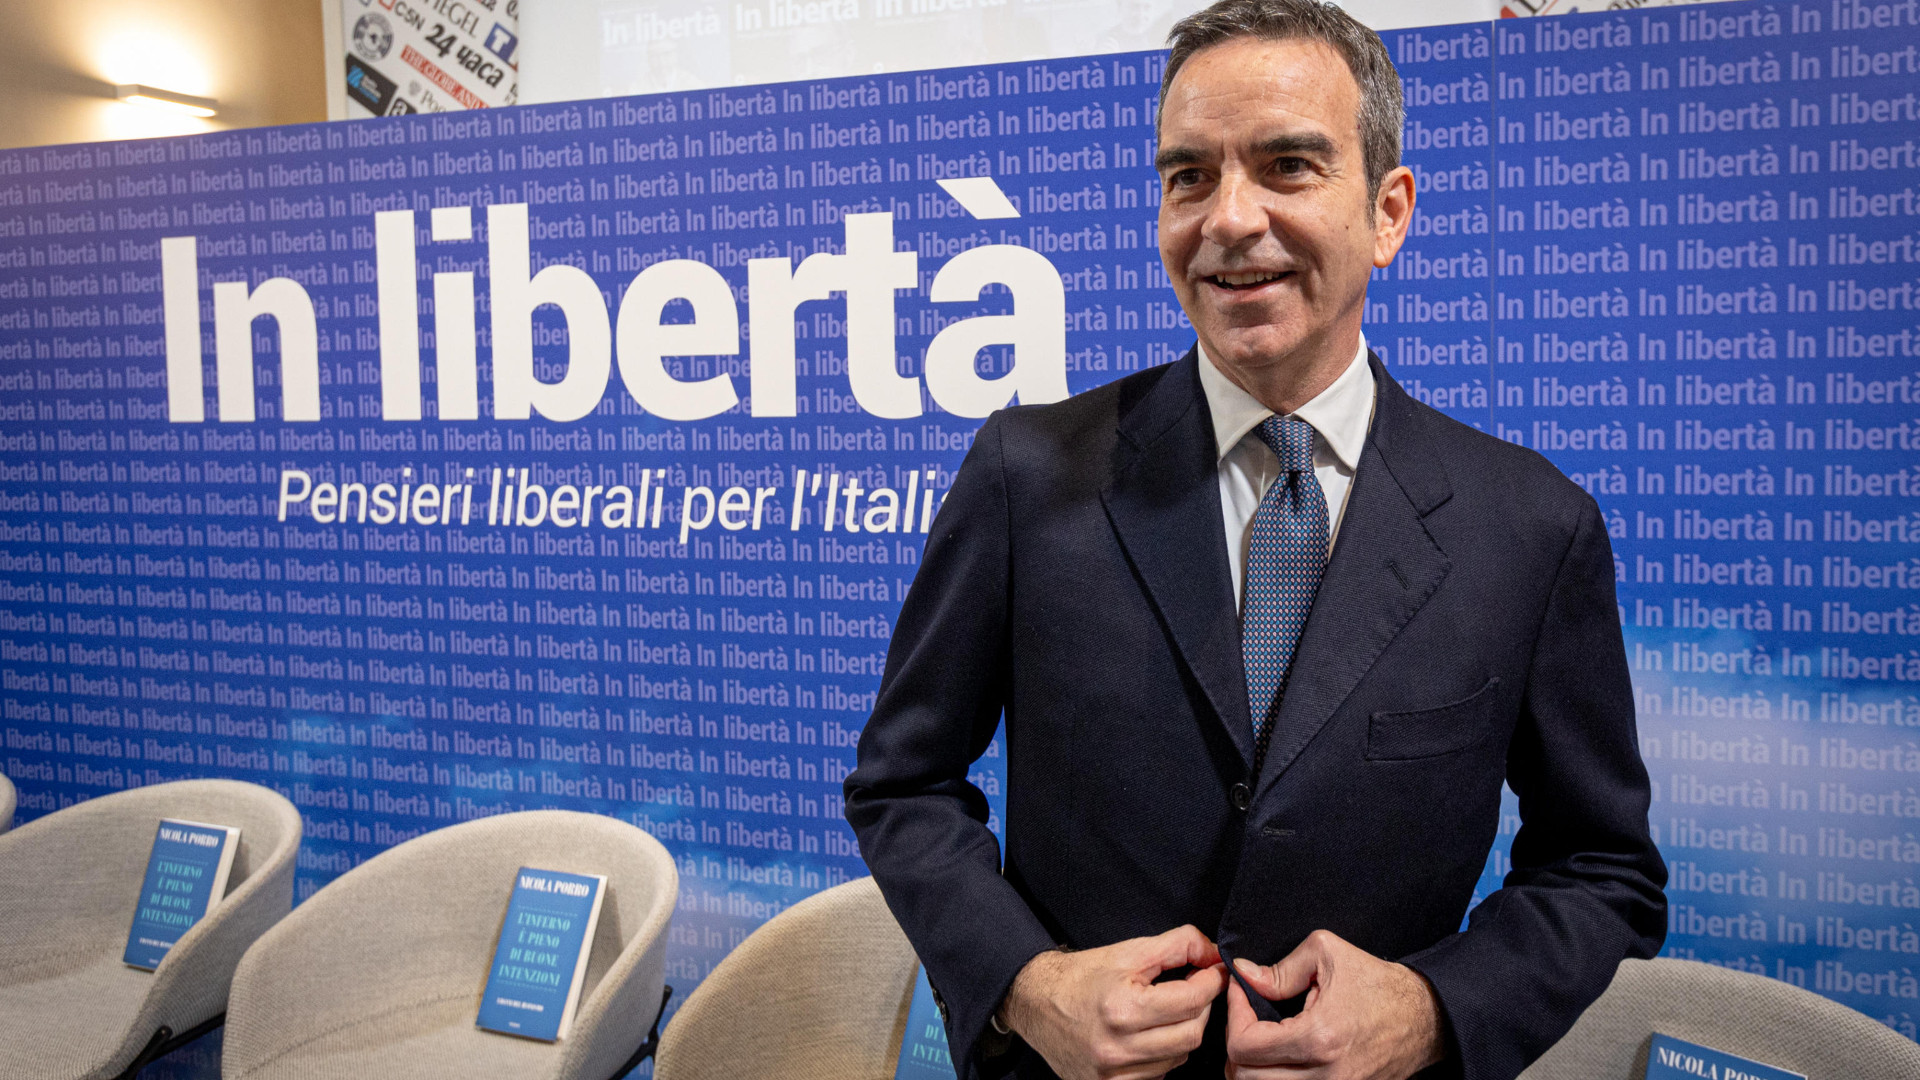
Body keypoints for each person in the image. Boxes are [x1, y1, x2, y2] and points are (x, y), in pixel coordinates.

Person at [843, 2, 1667, 1078]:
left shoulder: (1531, 527)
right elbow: (901, 786)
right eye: (1189, 176)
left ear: (1387, 212)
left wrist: (1431, 1010)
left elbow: (1602, 869)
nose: (1229, 219)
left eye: (1287, 166)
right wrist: (1027, 987)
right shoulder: (1026, 476)